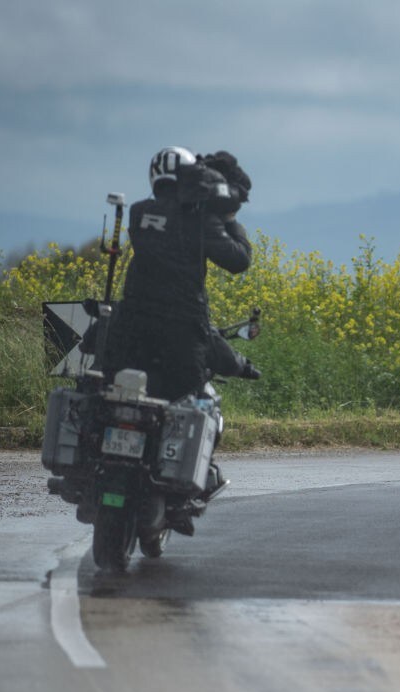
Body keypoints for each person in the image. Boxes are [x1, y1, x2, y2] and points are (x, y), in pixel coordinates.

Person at [105, 146, 256, 502]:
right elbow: (238, 260)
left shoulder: (139, 213)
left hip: (131, 333)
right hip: (182, 336)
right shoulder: (200, 219)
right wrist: (226, 214)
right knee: (197, 403)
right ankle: (198, 476)